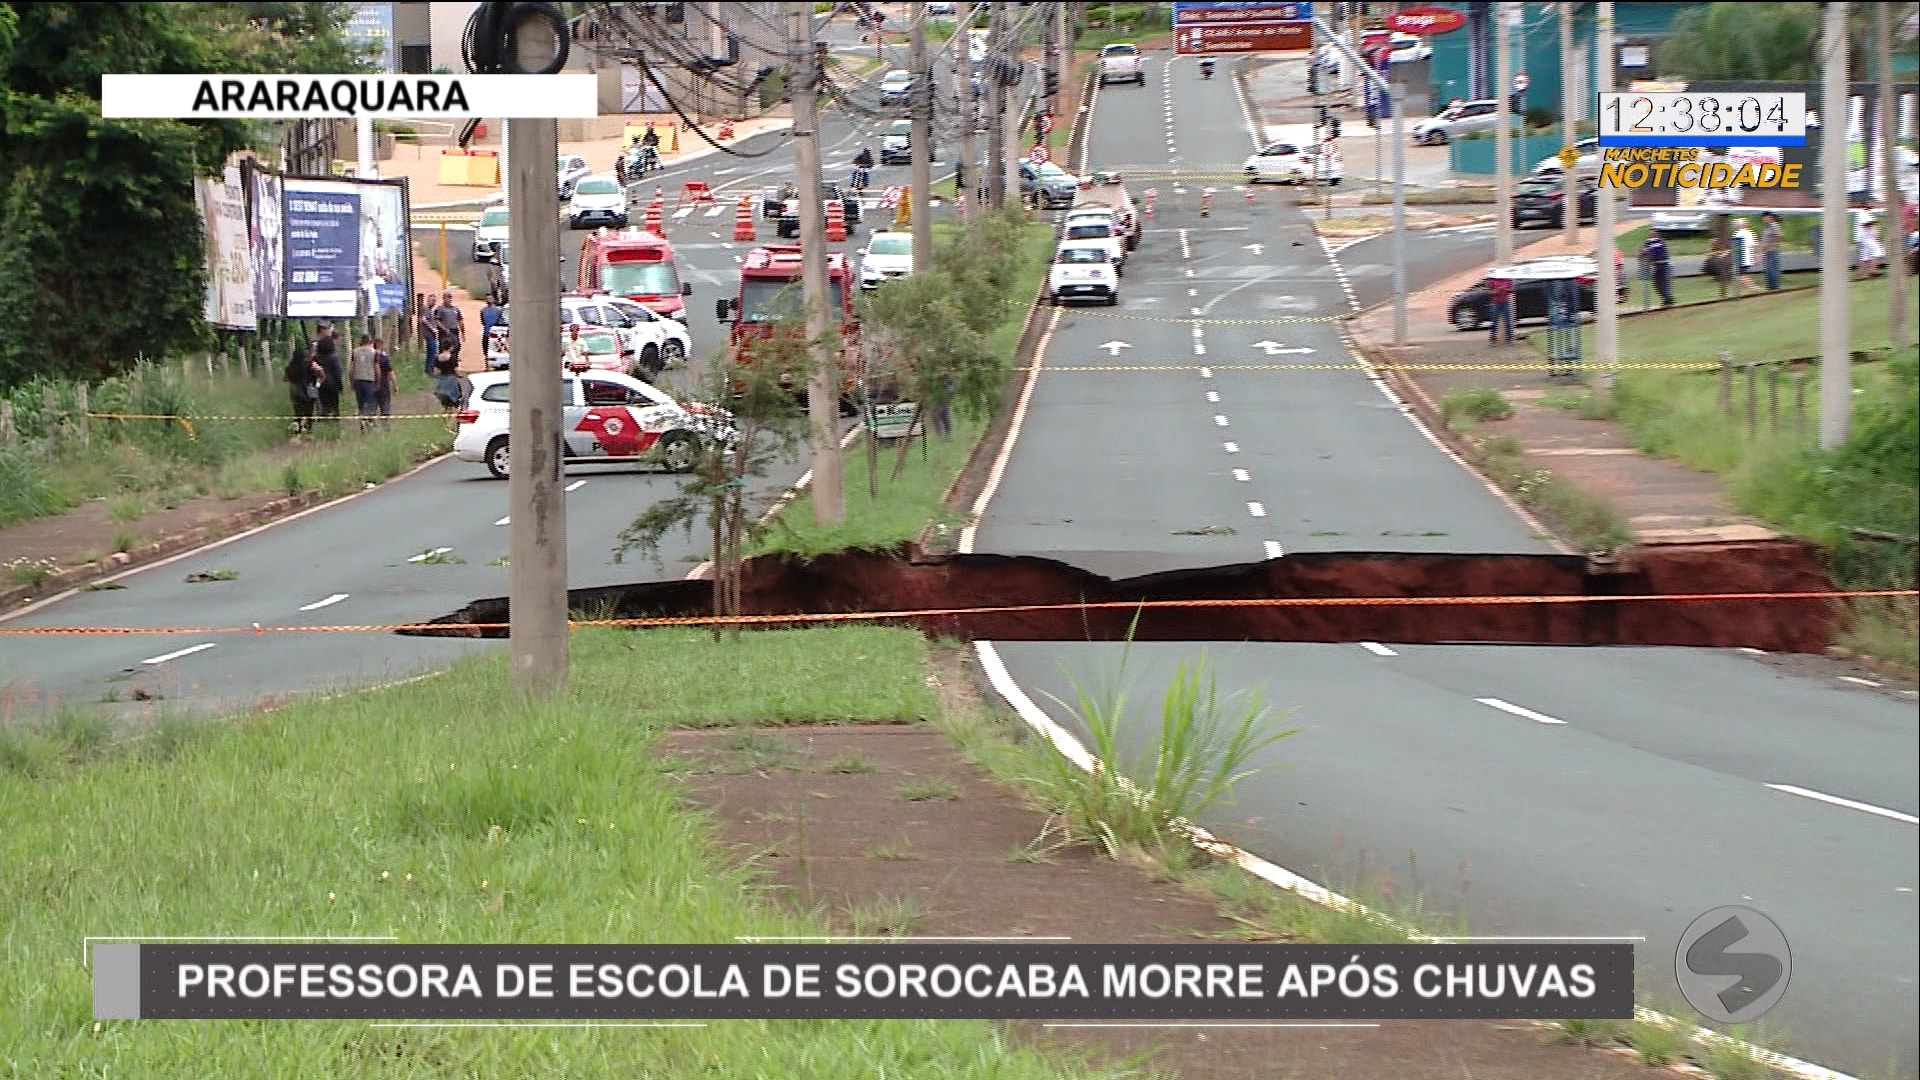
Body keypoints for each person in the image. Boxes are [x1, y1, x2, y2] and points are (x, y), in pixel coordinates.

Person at [284, 337, 320, 436]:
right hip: (309, 388)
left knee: (297, 411)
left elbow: (285, 379)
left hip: (295, 390)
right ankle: (309, 430)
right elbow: (317, 374)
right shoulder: (308, 365)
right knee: (309, 411)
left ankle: (297, 431)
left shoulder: (290, 367)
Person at [349, 334, 381, 429]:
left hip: (358, 380)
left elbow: (351, 369)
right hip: (369, 381)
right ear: (370, 342)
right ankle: (370, 423)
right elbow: (377, 369)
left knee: (360, 403)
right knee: (370, 403)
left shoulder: (354, 352)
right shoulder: (374, 352)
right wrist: (378, 382)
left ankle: (362, 424)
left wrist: (351, 382)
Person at [312, 332, 344, 423]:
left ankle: (323, 421)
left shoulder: (316, 358)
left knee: (322, 405)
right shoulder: (334, 357)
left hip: (320, 384)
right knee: (334, 406)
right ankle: (334, 422)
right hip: (332, 385)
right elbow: (337, 373)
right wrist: (340, 386)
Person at [1640, 229, 1674, 308]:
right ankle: (1667, 301)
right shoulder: (1649, 242)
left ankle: (1668, 301)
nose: (1651, 234)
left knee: (1663, 285)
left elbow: (1654, 251)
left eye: (1653, 233)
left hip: (1664, 265)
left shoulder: (1659, 241)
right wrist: (1643, 251)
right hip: (1658, 266)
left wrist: (1646, 251)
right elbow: (1642, 250)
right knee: (1658, 285)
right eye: (1650, 233)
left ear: (1657, 234)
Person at [432, 292, 464, 370]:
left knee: (456, 348)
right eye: (447, 297)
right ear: (444, 298)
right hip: (444, 332)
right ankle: (441, 367)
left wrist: (463, 332)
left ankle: (454, 367)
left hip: (454, 331)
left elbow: (460, 320)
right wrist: (444, 329)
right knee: (443, 348)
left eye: (450, 297)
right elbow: (437, 320)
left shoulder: (455, 309)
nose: (449, 299)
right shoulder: (440, 309)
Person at [1487, 274, 1516, 346]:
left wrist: (1505, 289)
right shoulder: (1492, 280)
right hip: (1495, 302)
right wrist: (1496, 291)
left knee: (1508, 321)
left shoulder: (1508, 279)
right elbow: (1489, 292)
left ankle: (1509, 339)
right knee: (1494, 322)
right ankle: (1493, 340)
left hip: (1506, 302)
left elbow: (1512, 290)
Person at [372, 336, 395, 423]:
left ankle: (371, 423)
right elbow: (390, 372)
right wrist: (395, 384)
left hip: (372, 383)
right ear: (380, 345)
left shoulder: (370, 356)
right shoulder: (384, 358)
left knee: (373, 405)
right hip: (383, 383)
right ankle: (385, 423)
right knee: (385, 404)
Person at [1732, 218, 1757, 290]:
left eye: (1736, 224)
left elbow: (1735, 246)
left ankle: (1754, 287)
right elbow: (1754, 245)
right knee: (1741, 273)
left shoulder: (1738, 233)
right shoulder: (1750, 232)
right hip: (1747, 257)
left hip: (1741, 257)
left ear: (1740, 225)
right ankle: (1741, 289)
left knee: (1741, 274)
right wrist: (1754, 256)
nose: (1735, 226)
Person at [1760, 212, 1783, 292]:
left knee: (1772, 269)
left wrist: (1773, 246)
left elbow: (1779, 235)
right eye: (1762, 218)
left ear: (1769, 217)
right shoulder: (1767, 227)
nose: (1763, 219)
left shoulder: (1774, 225)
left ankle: (1775, 287)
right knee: (1768, 269)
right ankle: (1769, 287)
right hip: (1767, 251)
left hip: (1773, 251)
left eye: (1764, 217)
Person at [1705, 235, 1732, 299]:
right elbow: (1709, 254)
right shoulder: (1712, 246)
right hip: (1719, 259)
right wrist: (1713, 253)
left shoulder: (1723, 244)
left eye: (1713, 241)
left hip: (1726, 259)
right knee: (1710, 261)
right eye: (1711, 242)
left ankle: (1722, 276)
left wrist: (1717, 254)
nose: (1711, 243)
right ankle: (1716, 275)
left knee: (1718, 261)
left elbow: (1728, 251)